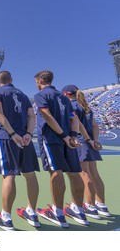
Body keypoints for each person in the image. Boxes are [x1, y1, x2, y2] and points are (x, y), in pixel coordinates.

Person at [33, 70, 88, 228]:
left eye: (36, 81)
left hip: (52, 138)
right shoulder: (64, 97)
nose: (36, 84)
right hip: (67, 138)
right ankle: (78, 210)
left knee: (56, 172)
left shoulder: (41, 95)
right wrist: (72, 136)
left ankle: (58, 213)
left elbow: (47, 116)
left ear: (41, 80)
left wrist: (64, 136)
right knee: (74, 173)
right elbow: (74, 119)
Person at [0, 71, 40, 231]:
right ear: (12, 80)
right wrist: (28, 134)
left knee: (9, 176)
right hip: (25, 139)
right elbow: (32, 116)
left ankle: (6, 218)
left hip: (8, 138)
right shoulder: (22, 95)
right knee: (30, 175)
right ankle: (32, 213)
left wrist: (13, 134)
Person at [61, 84, 111, 218]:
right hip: (89, 143)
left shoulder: (72, 106)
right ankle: (101, 205)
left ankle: (90, 206)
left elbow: (78, 124)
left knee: (84, 174)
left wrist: (88, 140)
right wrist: (94, 140)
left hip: (81, 142)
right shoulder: (86, 107)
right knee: (94, 174)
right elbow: (95, 126)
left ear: (66, 95)